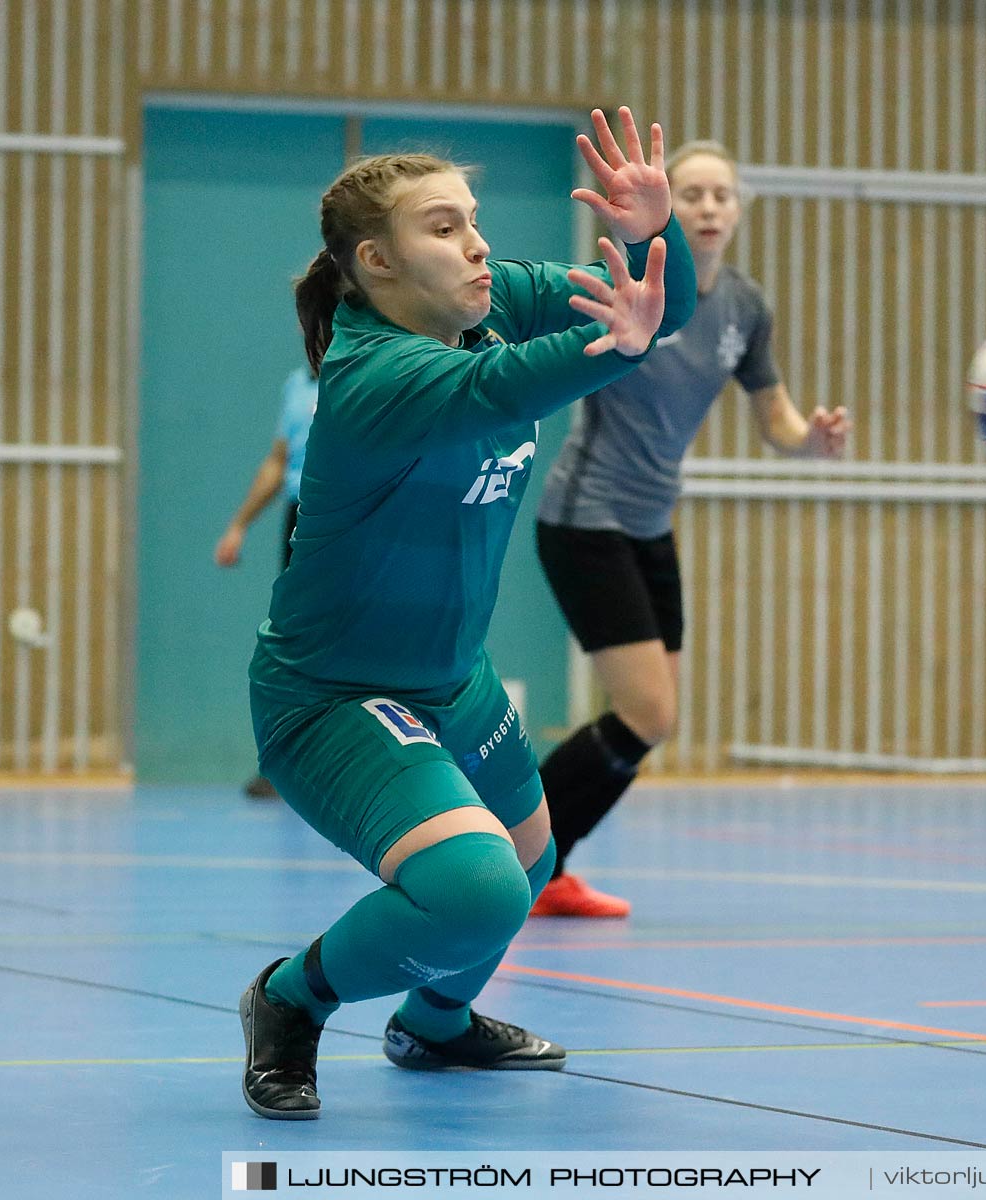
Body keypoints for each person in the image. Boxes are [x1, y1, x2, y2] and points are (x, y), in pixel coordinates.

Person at [239, 106, 695, 1119]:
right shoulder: (373, 376)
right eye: (442, 227)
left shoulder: (489, 301)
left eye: (473, 220)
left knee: (529, 866)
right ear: (377, 261)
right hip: (333, 696)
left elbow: (650, 313)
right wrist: (619, 345)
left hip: (450, 678)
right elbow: (511, 381)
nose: (477, 241)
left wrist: (646, 234)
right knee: (476, 887)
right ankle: (288, 999)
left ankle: (434, 1022)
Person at [530, 140, 850, 919]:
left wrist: (809, 438)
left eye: (721, 196)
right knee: (650, 713)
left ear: (739, 211)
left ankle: (545, 865)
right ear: (671, 207)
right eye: (693, 194)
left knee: (648, 721)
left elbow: (772, 414)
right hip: (584, 517)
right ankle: (513, 854)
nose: (708, 208)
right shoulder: (640, 288)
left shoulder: (745, 306)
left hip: (651, 524)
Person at [215, 365, 318, 798]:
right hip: (300, 518)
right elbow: (279, 460)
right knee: (292, 643)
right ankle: (283, 764)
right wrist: (239, 525)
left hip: (348, 514)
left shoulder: (363, 370)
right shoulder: (295, 385)